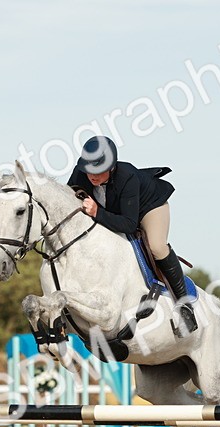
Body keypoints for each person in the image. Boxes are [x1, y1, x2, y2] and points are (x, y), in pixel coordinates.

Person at [67, 136, 197, 335]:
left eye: (97, 170)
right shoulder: (80, 173)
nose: (91, 176)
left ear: (111, 167)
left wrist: (97, 213)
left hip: (149, 207)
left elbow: (128, 224)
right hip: (113, 209)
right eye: (88, 170)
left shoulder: (127, 177)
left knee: (157, 246)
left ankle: (185, 306)